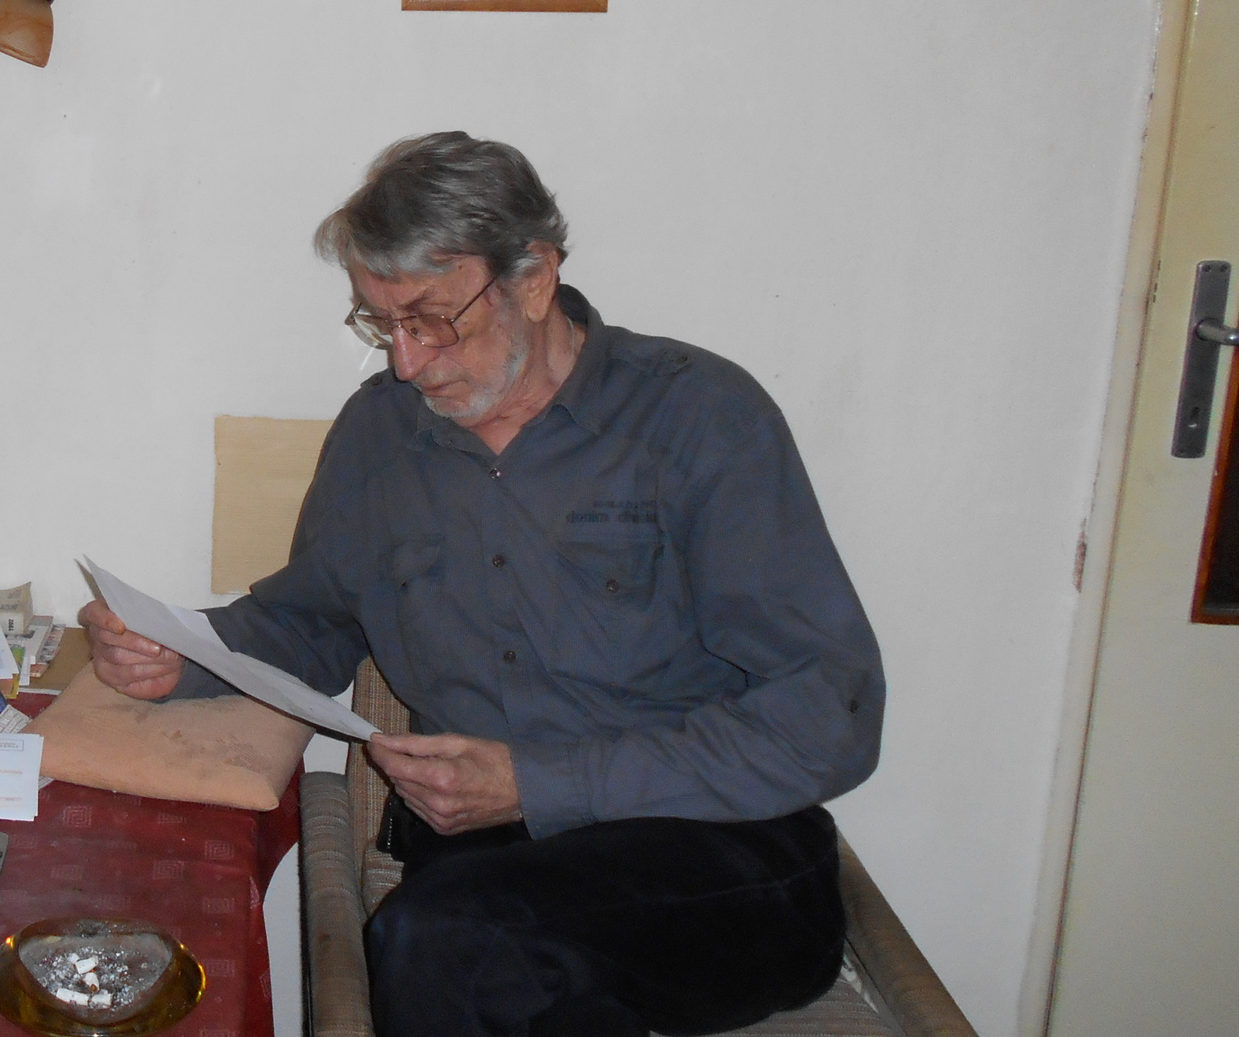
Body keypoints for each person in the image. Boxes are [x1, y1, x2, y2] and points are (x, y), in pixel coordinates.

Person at [78, 133, 885, 1037]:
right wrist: (178, 652)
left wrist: (538, 783)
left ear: (533, 279)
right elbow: (313, 623)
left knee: (449, 946)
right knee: (472, 959)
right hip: (490, 866)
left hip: (718, 852)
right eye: (382, 324)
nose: (405, 362)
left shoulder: (700, 417)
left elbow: (832, 716)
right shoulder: (382, 434)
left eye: (430, 319)